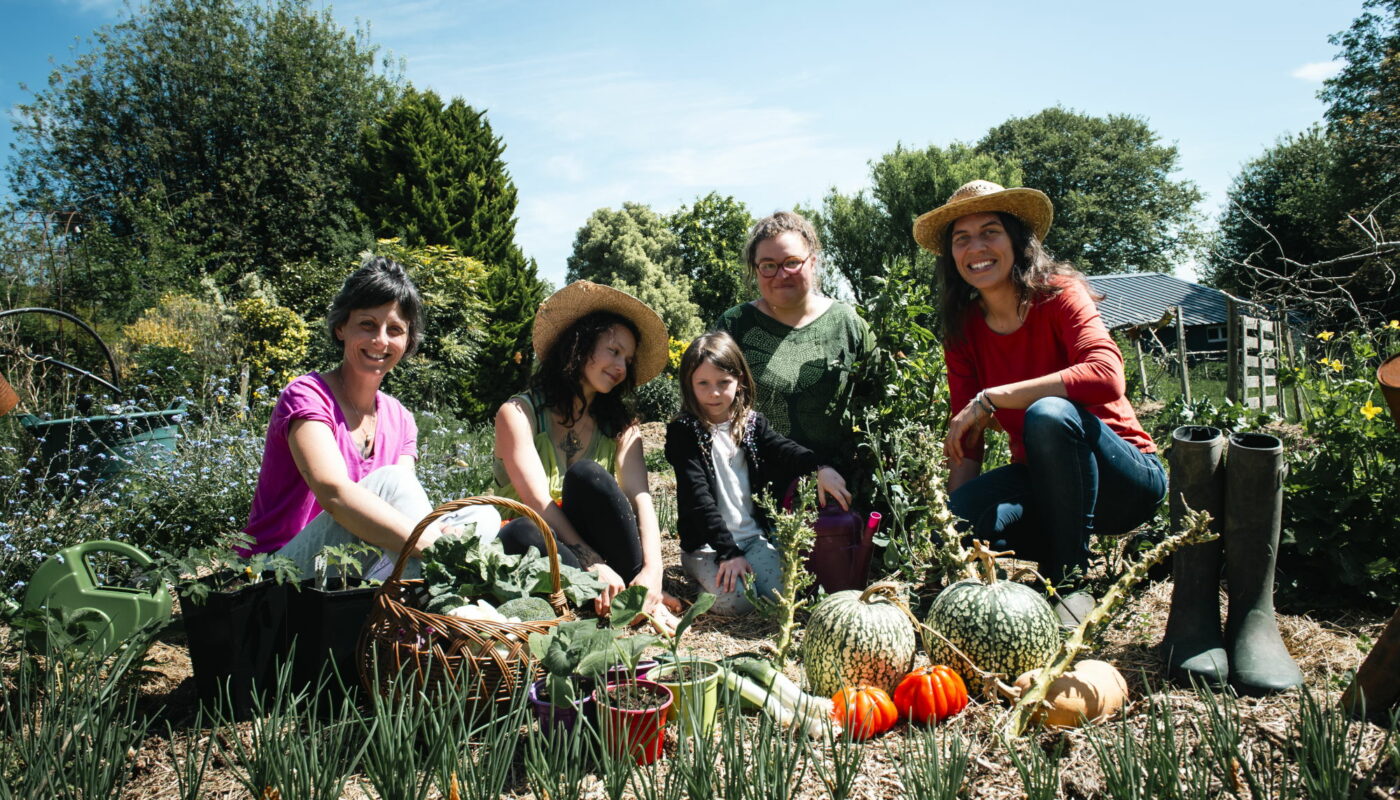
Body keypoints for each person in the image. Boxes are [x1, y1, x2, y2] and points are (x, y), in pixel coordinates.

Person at [913, 180, 1165, 620]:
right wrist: (953, 540)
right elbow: (966, 441)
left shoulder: (1059, 294)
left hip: (1125, 481)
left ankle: (1069, 579)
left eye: (990, 231)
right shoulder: (964, 330)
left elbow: (1107, 375)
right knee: (969, 520)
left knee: (1049, 415)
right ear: (952, 256)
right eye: (962, 238)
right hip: (1047, 486)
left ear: (1017, 239)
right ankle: (1049, 552)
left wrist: (995, 397)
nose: (977, 247)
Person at [243, 256, 499, 580]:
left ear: (407, 342)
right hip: (279, 572)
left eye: (395, 330)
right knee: (393, 483)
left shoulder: (400, 418)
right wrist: (436, 546)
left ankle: (407, 610)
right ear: (341, 327)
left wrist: (433, 539)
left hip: (356, 567)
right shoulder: (307, 395)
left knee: (483, 515)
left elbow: (401, 514)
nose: (380, 340)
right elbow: (334, 493)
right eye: (367, 324)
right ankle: (440, 611)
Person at [493, 281, 680, 628]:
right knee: (523, 531)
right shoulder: (518, 414)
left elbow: (641, 499)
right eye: (613, 350)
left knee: (589, 476)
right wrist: (590, 562)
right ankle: (606, 597)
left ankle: (636, 595)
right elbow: (538, 503)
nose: (621, 365)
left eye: (627, 358)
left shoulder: (622, 428)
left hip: (597, 555)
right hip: (539, 544)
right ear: (580, 343)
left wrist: (654, 572)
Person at [666, 332, 852, 616]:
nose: (714, 393)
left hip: (751, 537)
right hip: (707, 544)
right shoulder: (685, 432)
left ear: (739, 380)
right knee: (737, 603)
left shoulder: (750, 423)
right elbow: (697, 497)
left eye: (723, 383)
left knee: (783, 594)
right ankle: (699, 575)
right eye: (703, 383)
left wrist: (820, 468)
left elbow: (785, 450)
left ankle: (731, 574)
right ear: (689, 385)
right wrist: (728, 553)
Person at [715, 211, 874, 473]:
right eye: (768, 265)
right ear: (755, 269)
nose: (781, 275)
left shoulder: (847, 322)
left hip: (841, 486)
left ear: (812, 262)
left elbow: (877, 394)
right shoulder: (735, 326)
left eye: (791, 262)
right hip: (754, 484)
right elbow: (705, 404)